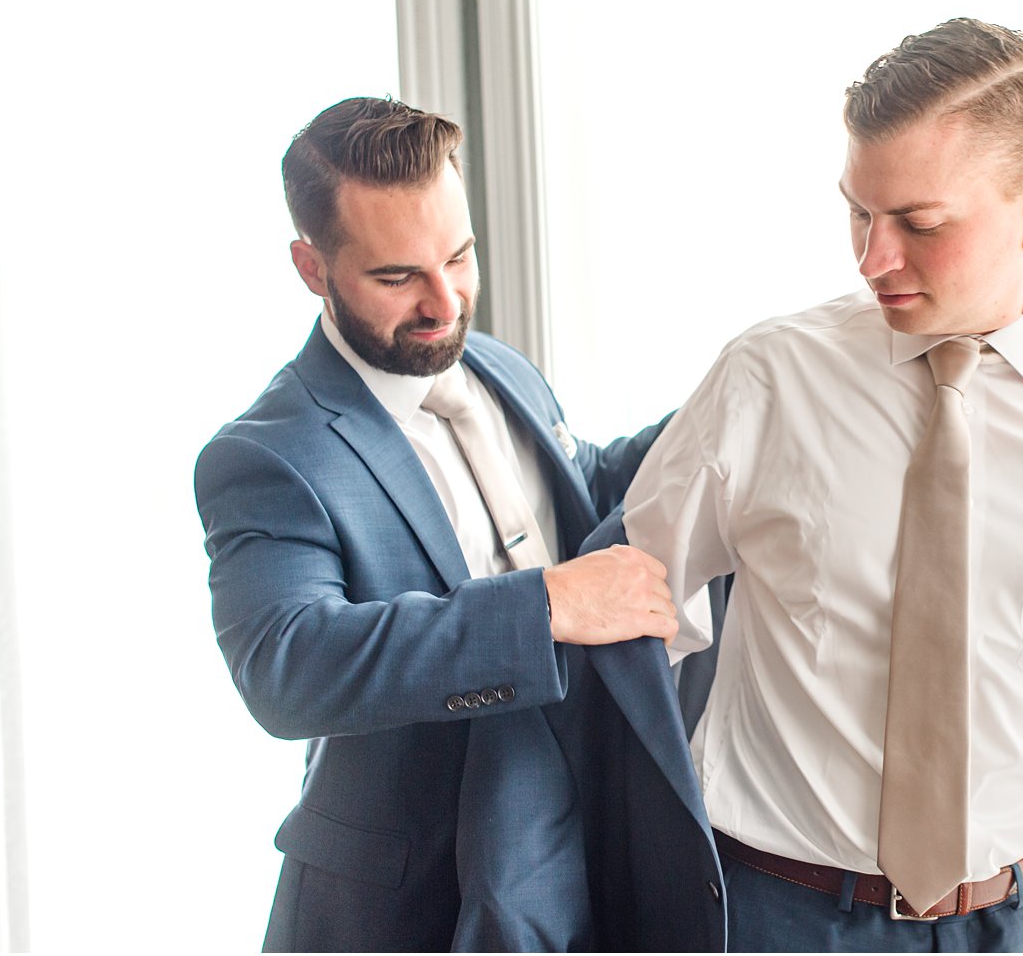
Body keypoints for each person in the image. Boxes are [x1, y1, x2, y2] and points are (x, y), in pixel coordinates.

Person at [622, 18, 1023, 953]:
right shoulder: (767, 380)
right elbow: (633, 621)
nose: (873, 257)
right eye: (857, 211)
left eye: (919, 223)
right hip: (775, 918)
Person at [194, 97, 724, 952]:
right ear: (310, 265)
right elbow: (287, 666)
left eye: (460, 256)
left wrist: (726, 411)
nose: (446, 302)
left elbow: (578, 493)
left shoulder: (493, 364)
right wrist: (545, 607)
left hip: (577, 857)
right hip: (409, 908)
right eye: (397, 277)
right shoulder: (268, 455)